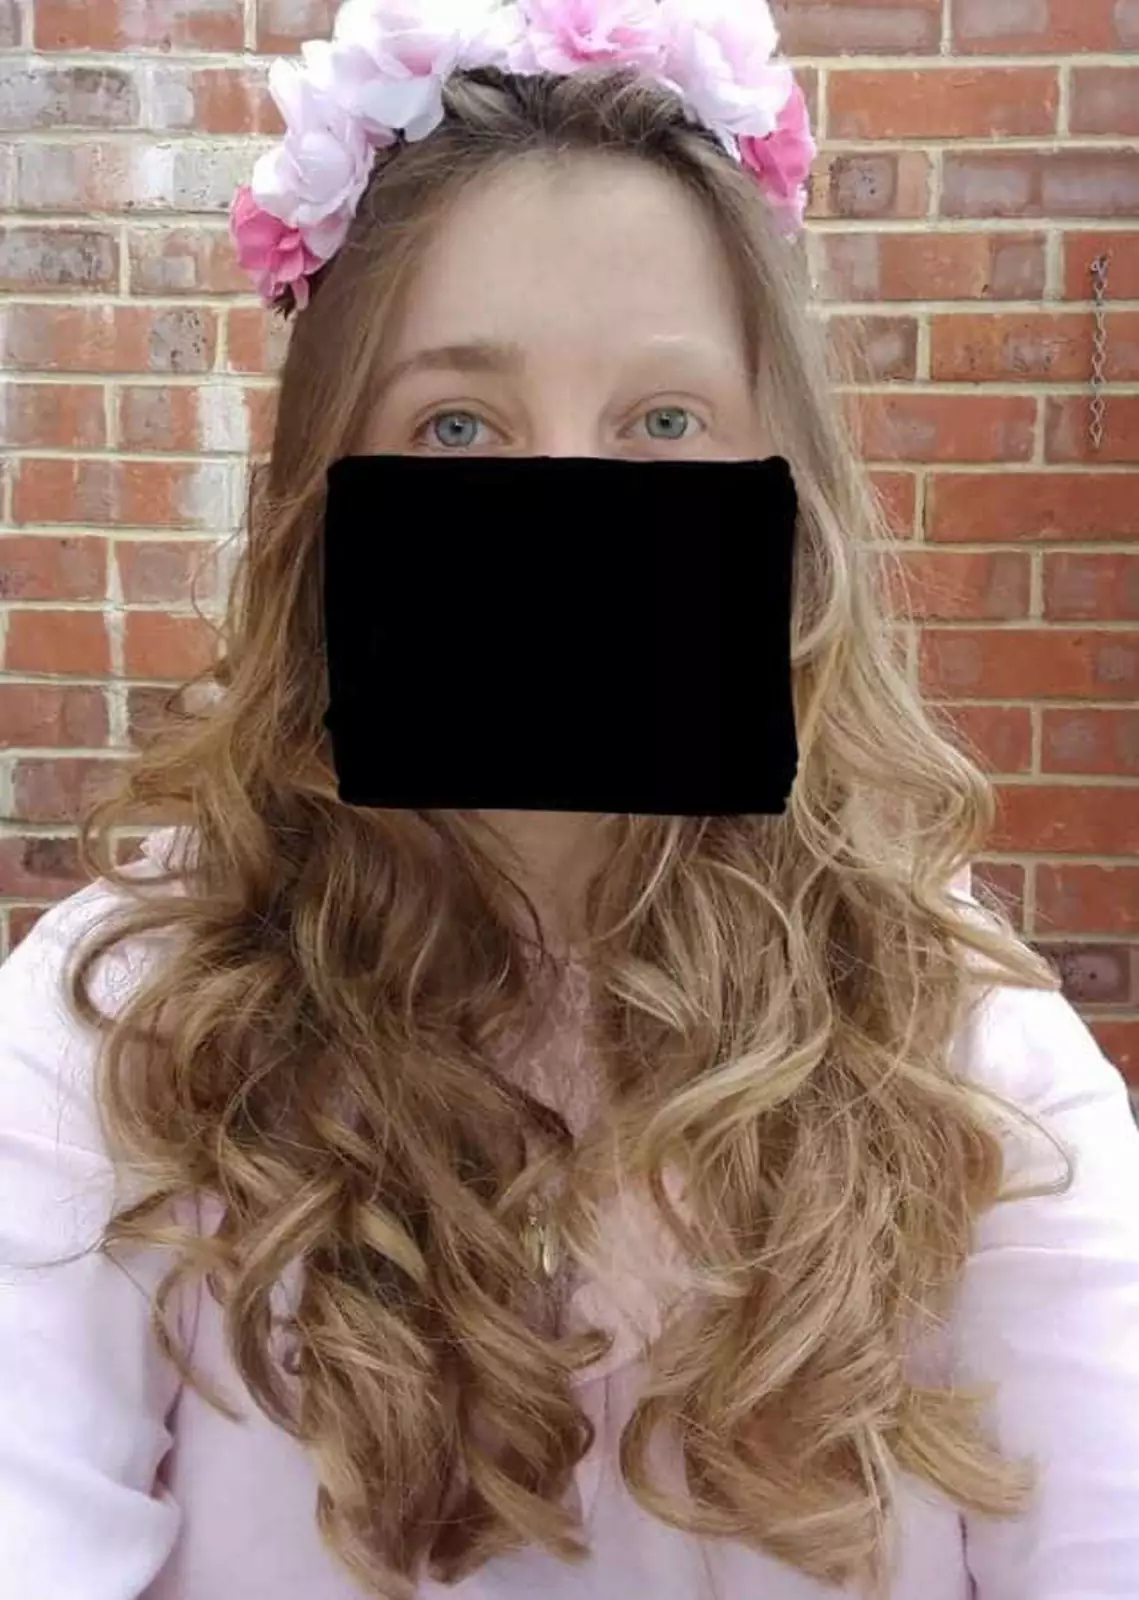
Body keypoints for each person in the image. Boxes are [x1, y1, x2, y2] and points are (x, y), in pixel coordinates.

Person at [2, 2, 1139, 1597]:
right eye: (457, 427)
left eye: (661, 423)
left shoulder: (965, 1051)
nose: (566, 513)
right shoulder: (113, 1022)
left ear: (782, 495)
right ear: (325, 503)